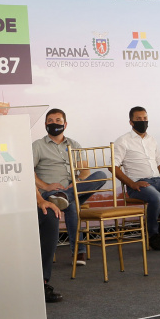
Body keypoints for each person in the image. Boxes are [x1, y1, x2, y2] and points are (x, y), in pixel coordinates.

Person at [33, 109, 107, 265]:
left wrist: (77, 181)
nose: (54, 123)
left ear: (65, 124)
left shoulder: (75, 144)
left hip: (73, 189)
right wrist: (46, 187)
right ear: (45, 124)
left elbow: (85, 171)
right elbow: (27, 171)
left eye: (58, 120)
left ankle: (68, 196)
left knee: (101, 175)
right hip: (51, 195)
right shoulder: (38, 145)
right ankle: (79, 252)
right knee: (72, 206)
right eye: (50, 121)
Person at [113, 106, 160, 250]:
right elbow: (113, 166)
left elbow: (159, 162)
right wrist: (132, 183)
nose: (143, 121)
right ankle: (153, 236)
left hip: (158, 181)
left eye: (145, 118)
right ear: (131, 122)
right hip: (138, 183)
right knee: (156, 198)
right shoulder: (123, 141)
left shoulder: (152, 139)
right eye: (138, 119)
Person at [36, 188, 64, 303]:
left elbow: (27, 180)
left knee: (49, 215)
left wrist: (40, 200)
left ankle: (41, 282)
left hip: (22, 204)